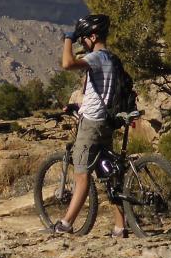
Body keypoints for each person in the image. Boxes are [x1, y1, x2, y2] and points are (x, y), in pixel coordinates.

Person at [53, 14, 127, 236]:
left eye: (83, 38)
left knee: (81, 174)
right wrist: (76, 107)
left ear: (93, 37)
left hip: (92, 125)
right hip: (106, 121)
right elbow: (99, 93)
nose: (82, 42)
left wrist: (68, 38)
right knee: (109, 176)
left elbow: (67, 64)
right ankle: (120, 227)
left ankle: (65, 224)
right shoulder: (112, 59)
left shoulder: (96, 57)